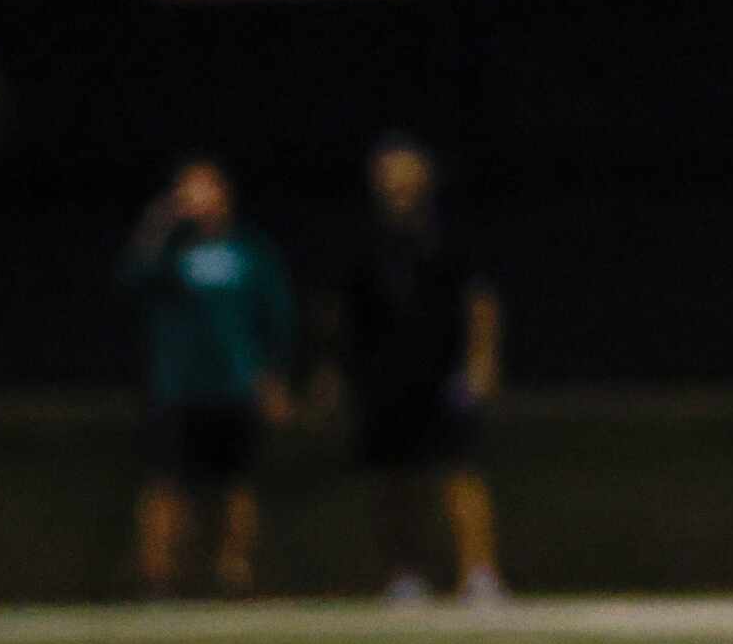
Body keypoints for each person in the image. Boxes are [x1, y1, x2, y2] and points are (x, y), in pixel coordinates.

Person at [315, 136, 507, 605]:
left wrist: (482, 362)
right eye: (387, 175)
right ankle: (404, 575)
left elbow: (480, 302)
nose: (397, 184)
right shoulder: (361, 241)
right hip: (381, 376)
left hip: (444, 374)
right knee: (392, 480)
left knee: (460, 470)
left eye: (406, 173)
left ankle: (479, 575)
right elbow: (339, 311)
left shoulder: (450, 234)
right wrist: (332, 371)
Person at [119, 158, 294, 599]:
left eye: (206, 188)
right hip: (176, 388)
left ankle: (233, 574)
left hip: (235, 387)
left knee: (235, 485)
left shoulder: (250, 251)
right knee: (165, 485)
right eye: (188, 191)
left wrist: (273, 376)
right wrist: (157, 225)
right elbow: (132, 281)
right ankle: (158, 580)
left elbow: (276, 317)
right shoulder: (166, 252)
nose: (198, 199)